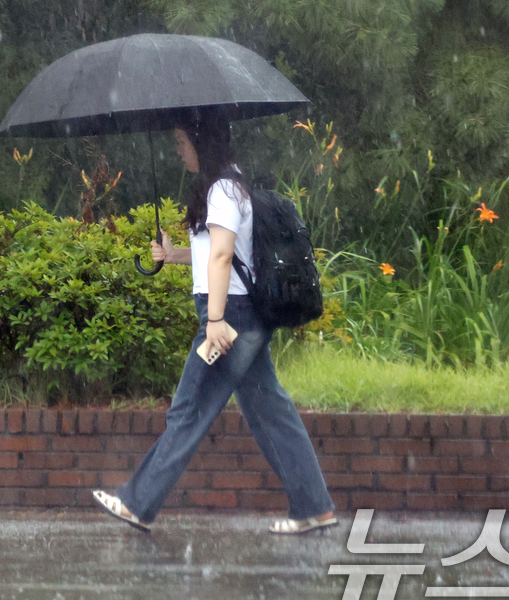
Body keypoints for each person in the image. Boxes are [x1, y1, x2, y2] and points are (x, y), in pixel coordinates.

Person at [92, 116, 336, 535]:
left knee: (189, 410)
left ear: (202, 144)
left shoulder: (223, 190)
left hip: (231, 317)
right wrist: (174, 257)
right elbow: (222, 253)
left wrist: (216, 322)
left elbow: (223, 258)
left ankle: (137, 502)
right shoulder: (230, 185)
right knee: (269, 411)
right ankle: (314, 506)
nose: (177, 149)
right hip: (244, 315)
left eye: (182, 141)